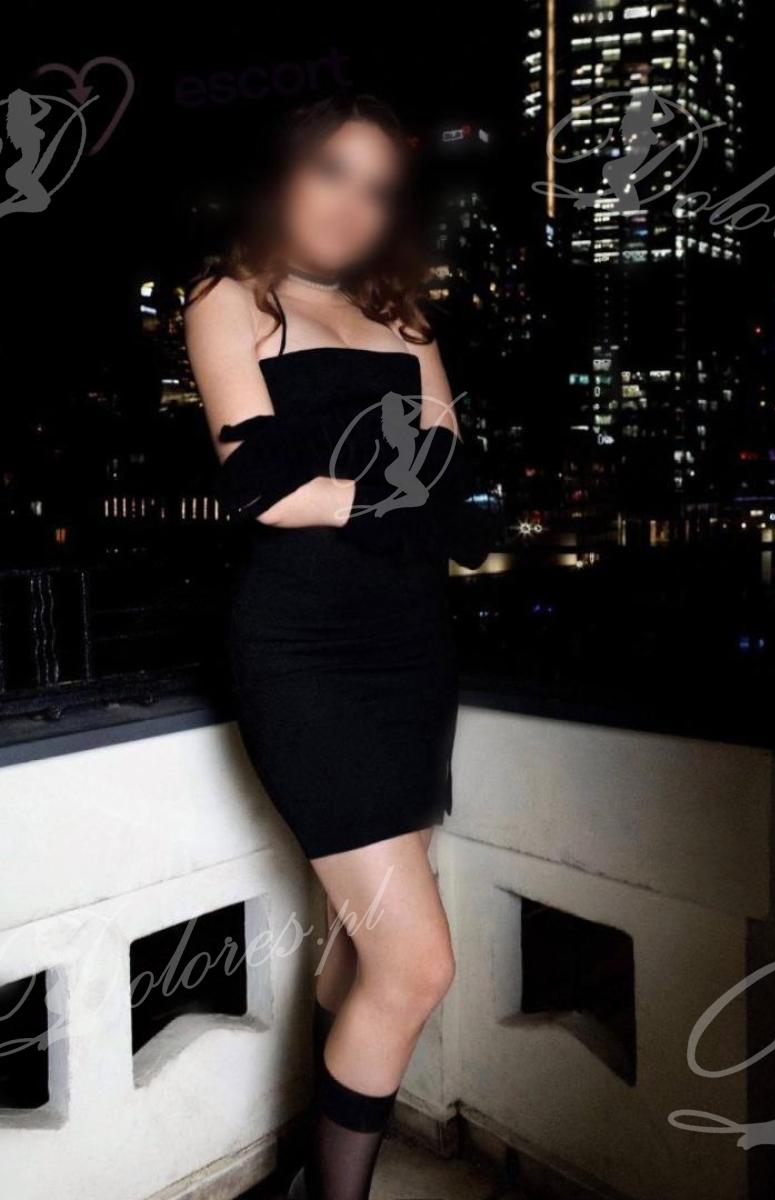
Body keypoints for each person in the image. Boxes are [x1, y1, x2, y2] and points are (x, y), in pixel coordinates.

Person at [186, 93, 490, 1200]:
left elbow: (455, 477)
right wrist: (401, 501)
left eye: (377, 188)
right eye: (331, 171)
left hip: (410, 646)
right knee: (416, 963)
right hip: (303, 650)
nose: (351, 204)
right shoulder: (231, 297)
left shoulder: (405, 318)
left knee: (358, 942)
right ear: (286, 174)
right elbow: (262, 489)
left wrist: (372, 498)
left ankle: (304, 1174)